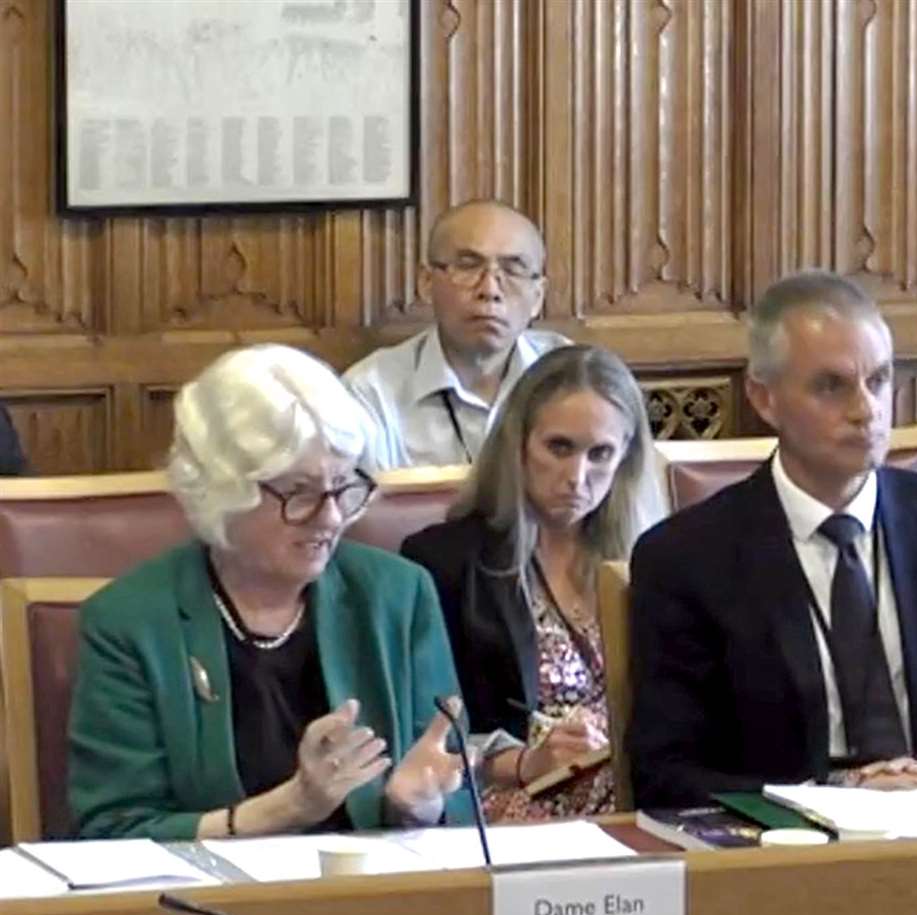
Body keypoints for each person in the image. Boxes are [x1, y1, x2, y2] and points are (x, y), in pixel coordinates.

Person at [630, 271, 917, 808]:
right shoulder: (687, 558)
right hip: (784, 854)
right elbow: (665, 771)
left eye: (878, 381)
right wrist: (833, 797)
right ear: (764, 398)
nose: (866, 410)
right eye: (831, 386)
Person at [68, 345, 481, 840]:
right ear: (222, 490)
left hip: (374, 900)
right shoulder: (130, 621)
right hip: (204, 908)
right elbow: (112, 831)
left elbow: (453, 791)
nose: (330, 517)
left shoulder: (398, 594)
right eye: (300, 492)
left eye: (343, 485)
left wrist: (418, 807)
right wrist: (290, 807)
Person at [402, 344, 665, 820]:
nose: (576, 477)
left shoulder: (654, 562)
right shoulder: (446, 562)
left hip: (634, 793)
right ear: (518, 444)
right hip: (512, 798)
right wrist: (527, 761)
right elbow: (426, 733)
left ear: (625, 461)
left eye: (600, 454)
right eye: (559, 448)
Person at [343, 200, 569, 471]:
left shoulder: (572, 377)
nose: (490, 290)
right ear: (427, 284)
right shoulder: (372, 391)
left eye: (512, 269)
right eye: (468, 266)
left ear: (537, 297)